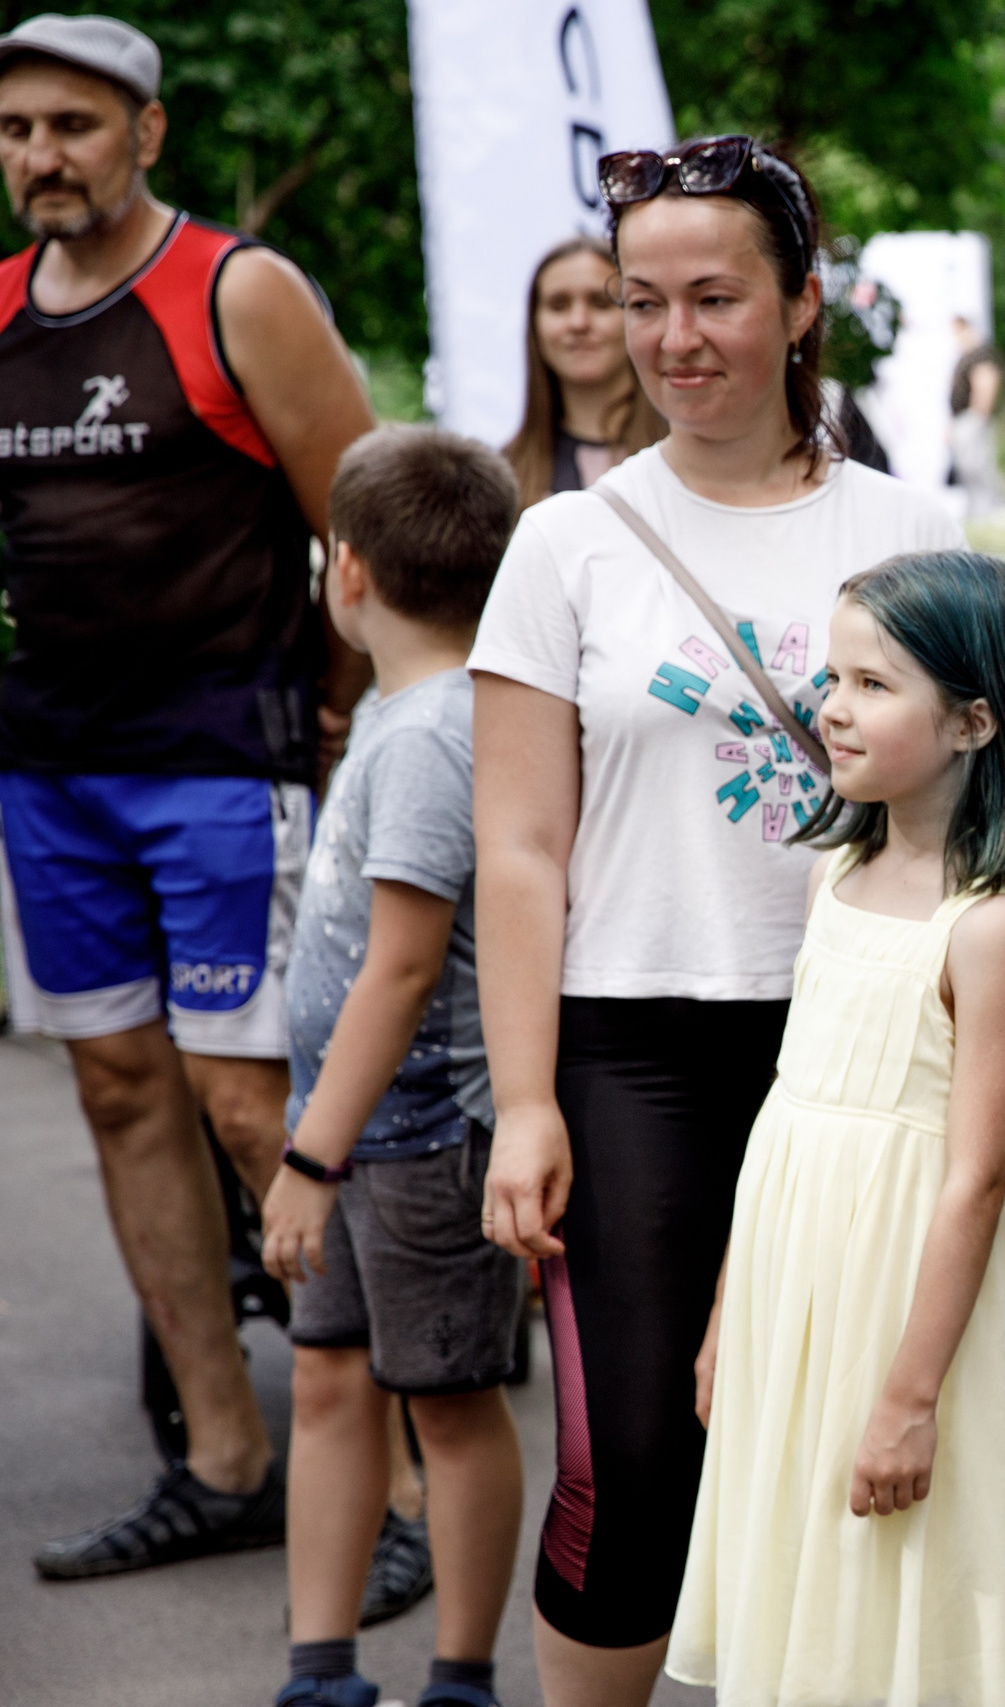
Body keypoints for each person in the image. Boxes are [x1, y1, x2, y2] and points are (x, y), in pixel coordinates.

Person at [470, 134, 965, 1704]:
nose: (674, 337)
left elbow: (980, 829)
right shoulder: (563, 542)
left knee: (843, 1452)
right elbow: (522, 845)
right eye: (641, 300)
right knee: (637, 1464)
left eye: (716, 297)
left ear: (802, 305)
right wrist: (528, 1100)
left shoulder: (907, 527)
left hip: (863, 1034)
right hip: (632, 1046)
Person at [0, 11, 379, 1579]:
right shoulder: (2, 313)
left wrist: (350, 724)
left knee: (250, 1106)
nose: (41, 158)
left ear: (146, 133)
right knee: (116, 1092)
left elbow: (375, 529)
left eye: (74, 127)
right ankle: (225, 1457)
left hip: (228, 762)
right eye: (17, 129)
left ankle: (414, 1471)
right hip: (52, 776)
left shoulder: (236, 291)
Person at [667, 550, 1005, 1706]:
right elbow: (785, 1108)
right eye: (833, 678)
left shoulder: (992, 930)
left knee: (914, 1578)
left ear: (973, 720)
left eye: (872, 685)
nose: (831, 706)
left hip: (912, 1304)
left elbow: (980, 1176)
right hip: (800, 1286)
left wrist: (912, 1397)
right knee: (810, 1574)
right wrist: (729, 1314)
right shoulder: (836, 878)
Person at [259, 426, 525, 1707]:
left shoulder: (430, 735)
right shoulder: (401, 709)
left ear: (348, 574)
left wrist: (309, 1155)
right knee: (327, 1380)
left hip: (415, 1142)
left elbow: (403, 967)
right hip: (359, 1132)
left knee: (449, 1403)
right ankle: (321, 1669)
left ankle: (460, 1679)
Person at [502, 234, 666, 507]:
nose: (579, 323)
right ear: (535, 326)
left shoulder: (691, 457)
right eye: (558, 305)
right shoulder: (503, 477)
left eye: (601, 303)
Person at [946, 315, 1005, 520]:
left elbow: (985, 385)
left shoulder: (980, 355)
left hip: (972, 417)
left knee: (979, 465)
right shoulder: (965, 356)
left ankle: (1001, 507)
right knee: (967, 467)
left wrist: (977, 416)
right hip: (962, 418)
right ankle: (978, 511)